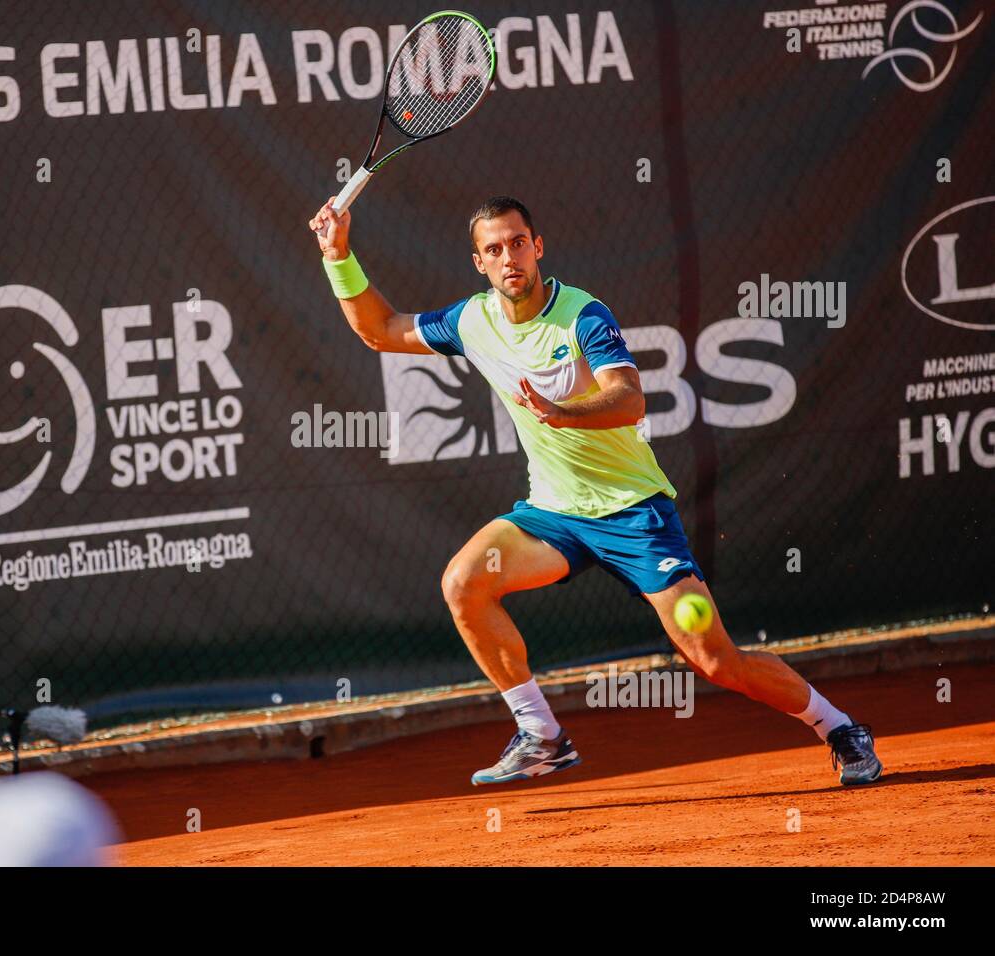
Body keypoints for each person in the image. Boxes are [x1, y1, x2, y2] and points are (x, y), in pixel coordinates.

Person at [308, 194, 882, 787]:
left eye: (519, 243)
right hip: (555, 513)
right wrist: (339, 255)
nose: (510, 258)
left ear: (538, 247)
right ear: (479, 262)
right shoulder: (471, 321)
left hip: (634, 513)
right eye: (495, 249)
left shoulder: (583, 315)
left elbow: (630, 397)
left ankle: (839, 726)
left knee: (716, 661)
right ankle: (543, 735)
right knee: (463, 582)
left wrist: (563, 413)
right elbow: (381, 330)